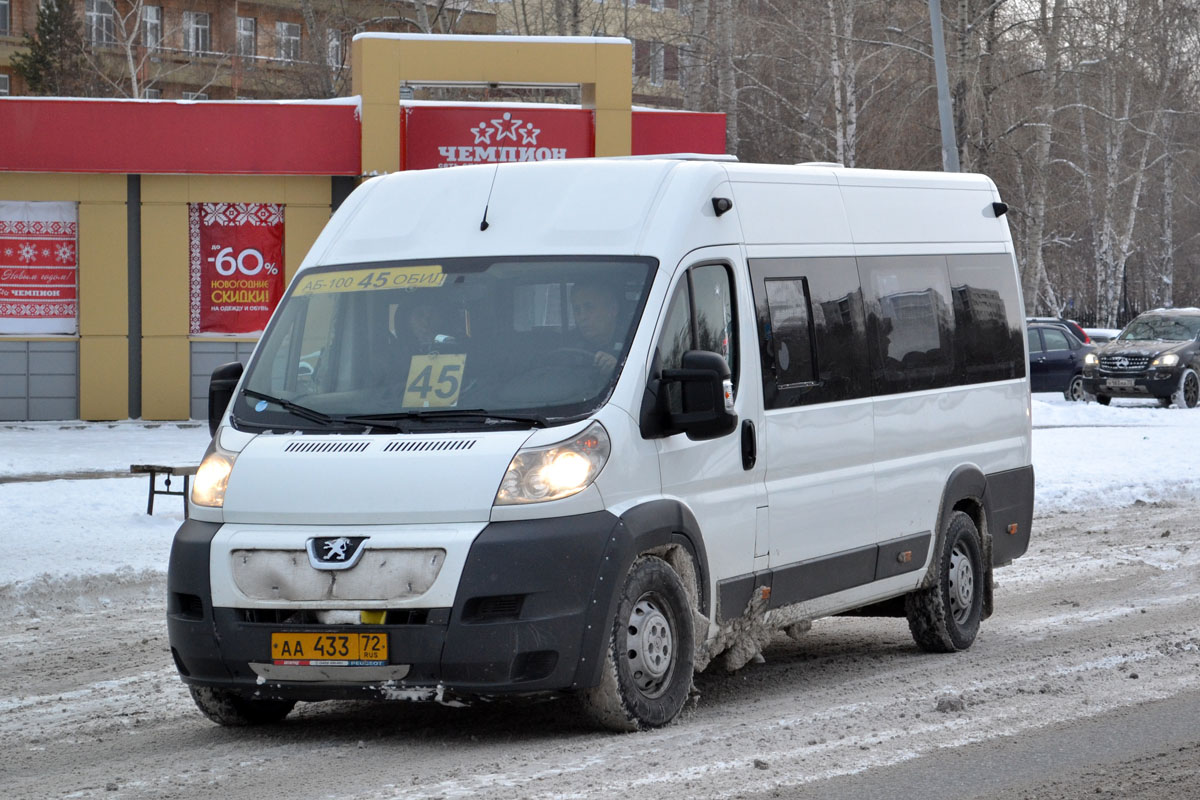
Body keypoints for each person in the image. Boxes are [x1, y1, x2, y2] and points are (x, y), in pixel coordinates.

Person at [569, 281, 624, 371]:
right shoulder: (569, 342)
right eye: (577, 310)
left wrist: (619, 369)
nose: (582, 317)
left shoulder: (633, 342)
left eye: (589, 308)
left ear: (613, 310)